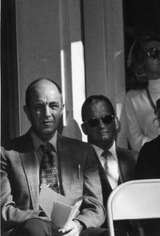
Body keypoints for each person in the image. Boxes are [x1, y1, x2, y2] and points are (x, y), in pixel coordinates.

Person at [1, 78, 106, 236]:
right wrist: (45, 220)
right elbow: (4, 211)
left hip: (72, 229)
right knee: (36, 229)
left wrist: (78, 224)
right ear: (27, 111)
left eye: (53, 106)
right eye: (38, 107)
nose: (47, 114)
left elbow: (96, 207)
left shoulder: (83, 151)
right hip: (29, 229)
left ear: (62, 109)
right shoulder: (7, 153)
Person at [81, 95, 138, 209]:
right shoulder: (77, 164)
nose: (101, 126)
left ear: (116, 122)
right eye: (93, 122)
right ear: (84, 128)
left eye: (107, 119)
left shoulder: (136, 159)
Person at [123, 35, 160, 152]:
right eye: (154, 52)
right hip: (154, 160)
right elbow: (135, 139)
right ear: (141, 60)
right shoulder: (132, 98)